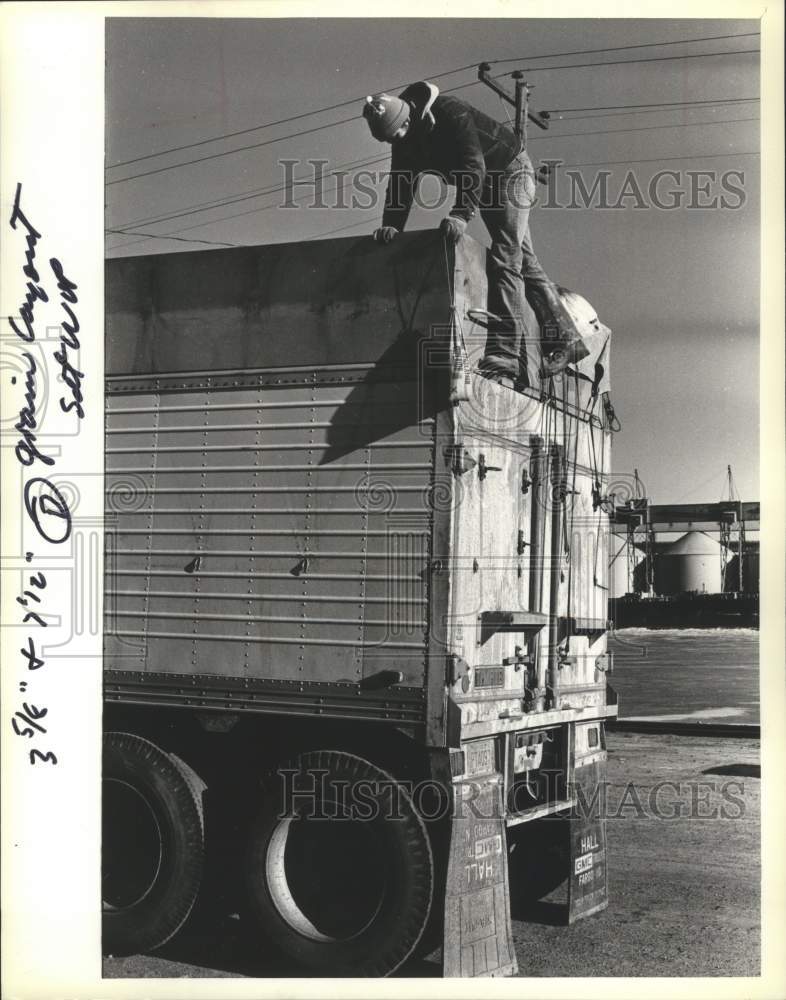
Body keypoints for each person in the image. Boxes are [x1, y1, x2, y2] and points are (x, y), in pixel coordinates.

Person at [362, 81, 584, 381]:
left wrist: (461, 213)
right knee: (524, 262)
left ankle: (506, 353)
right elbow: (401, 184)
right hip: (486, 180)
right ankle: (567, 339)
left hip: (510, 171)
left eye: (400, 130)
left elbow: (473, 164)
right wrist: (391, 226)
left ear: (408, 117)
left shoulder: (451, 112)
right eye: (391, 138)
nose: (399, 139)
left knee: (506, 258)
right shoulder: (402, 141)